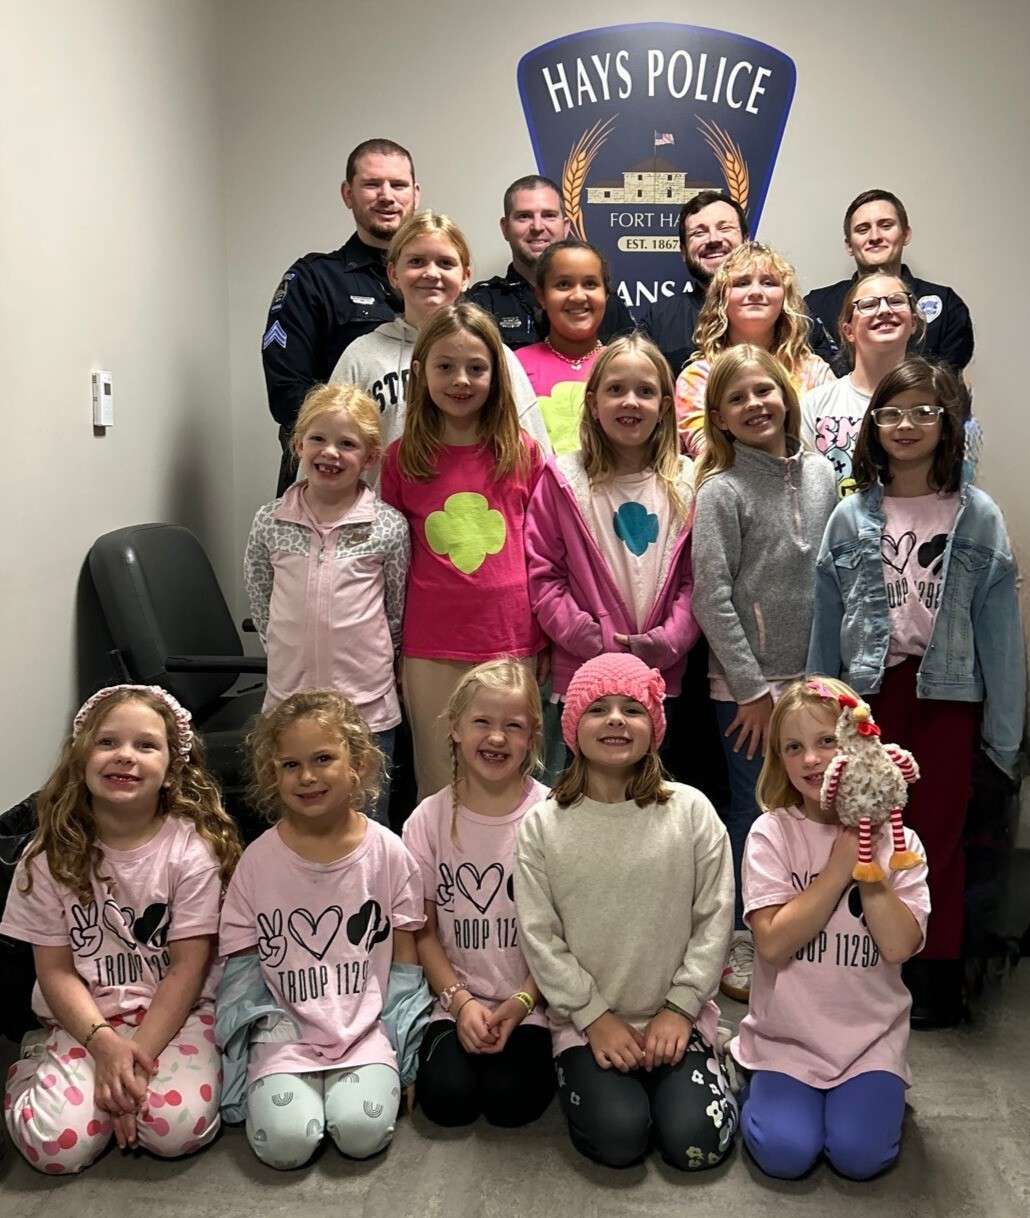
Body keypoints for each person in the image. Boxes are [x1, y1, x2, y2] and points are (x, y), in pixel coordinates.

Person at [808, 357, 1025, 1027]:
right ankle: (863, 969)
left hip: (949, 700)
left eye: (924, 412)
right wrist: (820, 714)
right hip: (870, 698)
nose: (906, 425)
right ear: (871, 426)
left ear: (949, 424)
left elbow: (1002, 637)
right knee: (861, 834)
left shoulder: (976, 516)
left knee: (936, 840)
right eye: (892, 413)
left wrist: (1004, 740)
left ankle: (932, 978)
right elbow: (825, 621)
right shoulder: (849, 517)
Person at [1, 685, 241, 1173]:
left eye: (145, 745)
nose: (125, 757)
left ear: (172, 769)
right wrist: (104, 1047)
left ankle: (130, 1084)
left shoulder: (191, 852)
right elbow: (55, 970)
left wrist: (136, 1060)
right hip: (86, 1020)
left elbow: (187, 968)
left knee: (173, 1128)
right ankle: (35, 1062)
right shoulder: (47, 857)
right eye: (107, 742)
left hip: (175, 1015)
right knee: (55, 1148)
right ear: (81, 756)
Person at [514, 654, 737, 1170]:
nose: (615, 719)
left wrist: (681, 1007)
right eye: (598, 709)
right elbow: (540, 936)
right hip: (589, 1023)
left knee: (694, 1146)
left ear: (654, 728)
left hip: (674, 1017)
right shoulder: (542, 826)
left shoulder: (691, 812)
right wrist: (593, 1017)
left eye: (632, 709)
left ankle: (719, 1064)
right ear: (572, 727)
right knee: (620, 1140)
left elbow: (716, 918)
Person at [732, 677, 929, 1180]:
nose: (812, 760)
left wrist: (869, 858)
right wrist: (839, 868)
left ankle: (868, 1098)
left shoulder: (900, 839)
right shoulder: (771, 833)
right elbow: (773, 944)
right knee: (785, 1154)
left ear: (858, 745)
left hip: (869, 1043)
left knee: (860, 1158)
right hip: (787, 1041)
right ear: (780, 760)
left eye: (826, 742)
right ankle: (752, 1074)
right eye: (793, 748)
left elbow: (900, 944)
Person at [219, 691, 425, 1169]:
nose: (307, 776)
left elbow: (405, 965)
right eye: (290, 764)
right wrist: (236, 1064)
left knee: (361, 1132)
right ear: (273, 775)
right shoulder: (257, 862)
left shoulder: (389, 854)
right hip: (282, 1030)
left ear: (357, 764)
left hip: (366, 1028)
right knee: (285, 1145)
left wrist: (404, 1053)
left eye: (323, 759)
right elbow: (242, 971)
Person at [691, 346, 837, 1004]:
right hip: (747, 691)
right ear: (719, 416)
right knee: (752, 812)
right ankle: (741, 937)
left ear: (786, 396)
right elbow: (711, 597)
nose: (755, 405)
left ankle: (804, 926)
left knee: (812, 809)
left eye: (765, 392)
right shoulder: (721, 491)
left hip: (813, 682)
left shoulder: (823, 474)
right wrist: (750, 689)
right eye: (739, 397)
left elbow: (831, 578)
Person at [380, 302, 545, 799]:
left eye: (477, 368)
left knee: (509, 781)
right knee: (438, 783)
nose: (461, 380)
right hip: (430, 646)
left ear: (496, 375)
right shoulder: (402, 457)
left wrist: (549, 638)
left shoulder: (521, 451)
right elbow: (388, 561)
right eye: (445, 366)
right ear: (422, 372)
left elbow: (542, 550)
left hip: (510, 638)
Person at [525, 334, 697, 779]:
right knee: (575, 795)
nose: (630, 402)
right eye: (616, 389)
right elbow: (544, 576)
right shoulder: (563, 479)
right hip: (582, 675)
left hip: (661, 676)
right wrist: (592, 640)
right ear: (594, 402)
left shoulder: (688, 480)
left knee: (649, 802)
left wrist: (668, 641)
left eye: (645, 391)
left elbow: (696, 581)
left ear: (664, 403)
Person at [244, 383, 409, 825]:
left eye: (347, 443)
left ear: (370, 457)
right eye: (318, 438)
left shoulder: (387, 527)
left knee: (367, 827)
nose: (330, 452)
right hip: (288, 705)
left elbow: (395, 613)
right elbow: (262, 603)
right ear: (298, 443)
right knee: (295, 827)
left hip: (366, 710)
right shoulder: (269, 521)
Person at [401, 660, 554, 1127]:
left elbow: (567, 934)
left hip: (532, 1003)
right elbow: (423, 932)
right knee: (448, 1102)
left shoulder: (552, 815)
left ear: (532, 737)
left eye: (514, 726)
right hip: (452, 1003)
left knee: (511, 1104)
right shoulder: (426, 820)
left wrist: (525, 1001)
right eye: (482, 723)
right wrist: (460, 1001)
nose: (496, 738)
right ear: (454, 728)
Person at [262, 138, 420, 493]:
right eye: (371, 184)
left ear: (416, 194)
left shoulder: (435, 282)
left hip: (416, 478)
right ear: (348, 194)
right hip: (331, 483)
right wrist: (347, 449)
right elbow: (288, 392)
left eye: (398, 184)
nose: (386, 195)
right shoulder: (314, 279)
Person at [331, 210, 550, 455]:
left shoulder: (494, 354)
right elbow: (326, 447)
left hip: (477, 494)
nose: (431, 273)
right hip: (381, 493)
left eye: (446, 263)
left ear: (466, 276)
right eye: (416, 261)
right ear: (393, 273)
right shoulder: (362, 357)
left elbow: (536, 457)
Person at [675, 241, 833, 456]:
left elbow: (834, 447)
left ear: (785, 297)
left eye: (768, 282)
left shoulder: (814, 372)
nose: (756, 292)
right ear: (721, 299)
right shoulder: (698, 377)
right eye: (742, 283)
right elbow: (711, 456)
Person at [806, 189, 974, 374]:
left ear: (905, 234)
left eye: (886, 225)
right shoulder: (816, 306)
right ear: (849, 245)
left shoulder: (947, 306)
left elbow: (947, 386)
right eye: (863, 229)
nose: (875, 237)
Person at [468, 174, 634, 349]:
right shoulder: (481, 304)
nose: (537, 227)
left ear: (566, 226)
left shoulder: (605, 305)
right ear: (505, 228)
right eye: (524, 216)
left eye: (549, 215)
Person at [801, 271, 924, 495]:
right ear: (848, 330)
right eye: (868, 305)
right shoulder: (814, 405)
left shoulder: (933, 404)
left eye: (896, 301)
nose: (885, 310)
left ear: (914, 322)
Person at [638, 190, 748, 379]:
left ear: (746, 241)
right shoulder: (658, 321)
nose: (713, 239)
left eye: (725, 228)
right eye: (699, 232)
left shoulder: (785, 315)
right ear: (683, 251)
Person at [515, 238, 609, 452]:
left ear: (606, 294)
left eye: (590, 284)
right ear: (541, 296)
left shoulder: (624, 364)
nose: (577, 296)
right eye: (563, 284)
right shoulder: (515, 366)